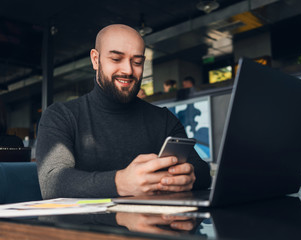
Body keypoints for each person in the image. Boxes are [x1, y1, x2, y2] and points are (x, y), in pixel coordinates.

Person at [36, 24, 211, 199]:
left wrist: (187, 177)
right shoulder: (61, 115)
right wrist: (120, 183)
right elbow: (52, 183)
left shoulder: (164, 119)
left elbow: (202, 172)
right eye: (116, 59)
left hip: (152, 224)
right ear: (95, 60)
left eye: (137, 62)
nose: (128, 70)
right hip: (84, 226)